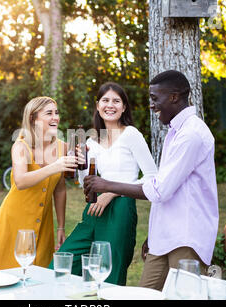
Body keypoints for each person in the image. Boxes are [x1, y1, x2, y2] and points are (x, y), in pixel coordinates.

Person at [84, 70, 219, 290]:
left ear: (174, 97)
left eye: (155, 98)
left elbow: (159, 190)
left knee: (183, 297)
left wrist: (107, 185)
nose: (151, 105)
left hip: (187, 237)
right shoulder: (176, 131)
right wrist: (154, 234)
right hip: (164, 237)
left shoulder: (191, 134)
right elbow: (168, 190)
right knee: (144, 295)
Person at [48, 82, 158, 285]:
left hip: (120, 210)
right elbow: (86, 184)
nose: (110, 105)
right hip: (92, 212)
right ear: (98, 105)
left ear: (124, 107)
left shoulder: (131, 134)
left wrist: (112, 192)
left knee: (110, 277)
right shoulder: (90, 142)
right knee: (58, 268)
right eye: (105, 100)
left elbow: (152, 177)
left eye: (116, 101)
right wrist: (79, 165)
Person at [0, 96, 77, 271]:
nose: (55, 117)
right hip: (12, 224)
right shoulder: (20, 146)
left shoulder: (63, 147)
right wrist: (54, 166)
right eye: (49, 113)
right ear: (33, 118)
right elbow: (20, 180)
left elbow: (60, 190)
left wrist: (61, 226)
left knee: (38, 282)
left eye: (56, 113)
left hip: (43, 228)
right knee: (2, 282)